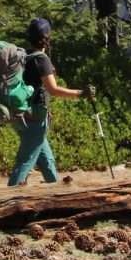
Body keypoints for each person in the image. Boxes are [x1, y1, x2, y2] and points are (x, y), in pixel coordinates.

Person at [9, 17, 92, 186]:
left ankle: (56, 192)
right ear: (46, 38)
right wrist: (81, 93)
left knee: (46, 160)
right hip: (34, 116)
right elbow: (53, 89)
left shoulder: (23, 56)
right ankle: (7, 199)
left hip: (18, 113)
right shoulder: (41, 59)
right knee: (25, 162)